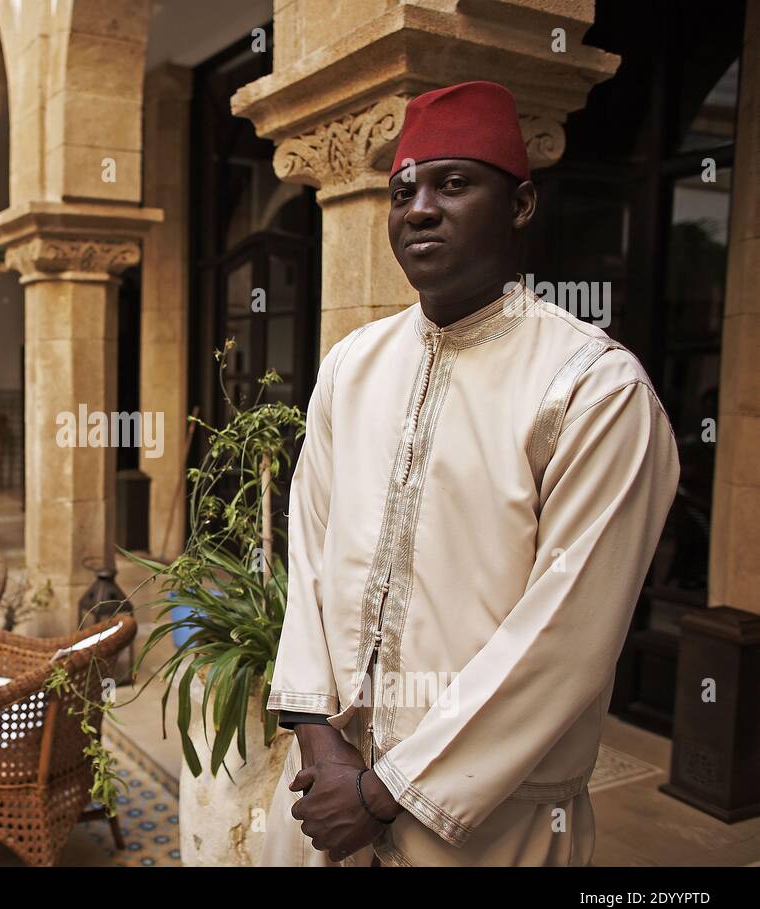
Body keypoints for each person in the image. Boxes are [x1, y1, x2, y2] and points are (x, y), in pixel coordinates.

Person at [259, 81, 680, 866]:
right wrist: (322, 747)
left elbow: (567, 634)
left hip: (492, 821)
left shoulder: (593, 388)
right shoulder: (352, 368)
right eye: (403, 190)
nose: (419, 208)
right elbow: (310, 561)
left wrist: (385, 795)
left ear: (520, 205)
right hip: (326, 797)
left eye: (453, 183)